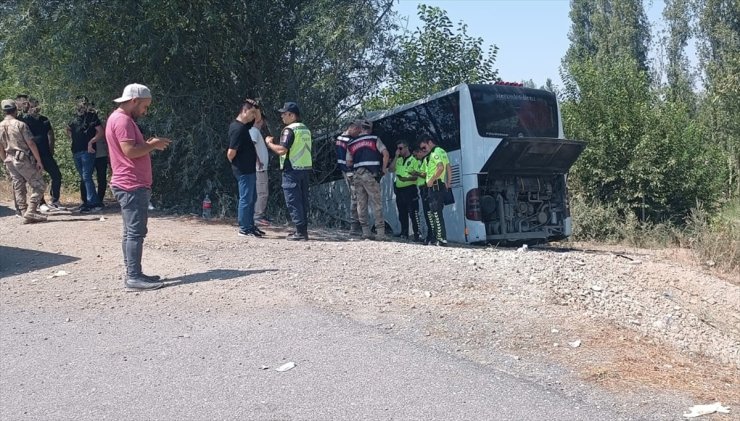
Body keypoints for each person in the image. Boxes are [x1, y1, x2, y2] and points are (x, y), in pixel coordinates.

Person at [106, 83, 171, 291]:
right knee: (135, 232)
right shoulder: (123, 120)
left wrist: (148, 143)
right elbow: (130, 151)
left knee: (130, 232)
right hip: (130, 184)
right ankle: (133, 277)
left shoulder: (119, 119)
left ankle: (134, 273)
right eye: (144, 106)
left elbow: (132, 149)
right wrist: (153, 145)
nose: (145, 111)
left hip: (129, 183)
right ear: (134, 101)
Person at [265, 101, 312, 241]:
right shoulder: (305, 129)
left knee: (293, 200)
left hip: (291, 169)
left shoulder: (289, 129)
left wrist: (269, 143)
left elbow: (282, 150)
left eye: (284, 114)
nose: (282, 117)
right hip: (304, 169)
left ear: (292, 115)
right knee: (302, 201)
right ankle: (302, 231)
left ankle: (300, 232)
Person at [0, 99, 47, 224]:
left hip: (9, 159)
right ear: (15, 109)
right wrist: (39, 161)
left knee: (18, 186)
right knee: (40, 185)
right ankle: (30, 211)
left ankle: (23, 211)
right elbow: (30, 143)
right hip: (21, 158)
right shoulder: (20, 125)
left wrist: (4, 159)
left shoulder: (0, 126)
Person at [346, 119, 389, 240]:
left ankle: (366, 232)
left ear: (360, 129)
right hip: (370, 175)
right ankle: (380, 233)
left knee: (361, 204)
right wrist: (384, 168)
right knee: (376, 203)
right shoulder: (374, 139)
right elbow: (385, 154)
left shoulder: (351, 143)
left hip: (357, 176)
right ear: (370, 129)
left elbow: (348, 162)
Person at [20, 98, 64, 211]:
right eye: (32, 105)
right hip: (32, 154)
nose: (35, 108)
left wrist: (51, 148)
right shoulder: (24, 120)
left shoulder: (44, 120)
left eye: (36, 105)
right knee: (38, 179)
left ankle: (55, 200)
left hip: (46, 153)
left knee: (57, 175)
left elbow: (50, 133)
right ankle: (41, 203)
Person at [227, 100, 263, 238]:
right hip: (243, 170)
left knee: (252, 198)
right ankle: (244, 228)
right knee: (246, 199)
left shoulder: (244, 126)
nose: (254, 115)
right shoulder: (238, 128)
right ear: (244, 111)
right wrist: (236, 163)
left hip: (249, 169)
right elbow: (230, 152)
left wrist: (257, 108)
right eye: (252, 112)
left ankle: (250, 225)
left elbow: (259, 121)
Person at [67, 96, 104, 213]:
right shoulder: (72, 117)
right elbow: (67, 129)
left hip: (88, 151)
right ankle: (89, 202)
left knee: (87, 176)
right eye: (79, 103)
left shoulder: (91, 116)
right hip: (76, 151)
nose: (81, 105)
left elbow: (100, 132)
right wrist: (72, 139)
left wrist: (91, 142)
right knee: (84, 177)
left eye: (83, 103)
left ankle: (93, 203)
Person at [420, 136, 451, 246]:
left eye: (424, 147)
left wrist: (431, 180)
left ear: (429, 142)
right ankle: (436, 238)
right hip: (439, 185)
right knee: (434, 213)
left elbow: (441, 167)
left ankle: (441, 238)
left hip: (435, 185)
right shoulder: (442, 151)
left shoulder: (434, 153)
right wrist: (448, 182)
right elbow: (448, 166)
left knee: (436, 213)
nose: (423, 150)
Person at [245, 98, 271, 227]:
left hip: (259, 167)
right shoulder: (254, 131)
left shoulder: (254, 132)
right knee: (262, 192)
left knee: (260, 192)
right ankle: (258, 215)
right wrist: (258, 161)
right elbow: (252, 147)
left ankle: (257, 215)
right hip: (259, 168)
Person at [390, 140, 420, 241]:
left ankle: (417, 234)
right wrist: (395, 157)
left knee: (413, 213)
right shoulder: (398, 160)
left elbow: (416, 177)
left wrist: (406, 179)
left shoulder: (414, 159)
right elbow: (391, 169)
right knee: (402, 213)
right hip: (399, 190)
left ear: (406, 147)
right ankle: (404, 233)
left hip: (410, 189)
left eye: (401, 148)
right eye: (398, 148)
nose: (399, 150)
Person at [335, 121, 362, 235]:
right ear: (352, 128)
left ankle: (356, 225)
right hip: (351, 171)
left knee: (355, 198)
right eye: (358, 130)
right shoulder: (350, 141)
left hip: (344, 171)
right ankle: (355, 226)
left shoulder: (339, 139)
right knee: (356, 199)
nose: (359, 133)